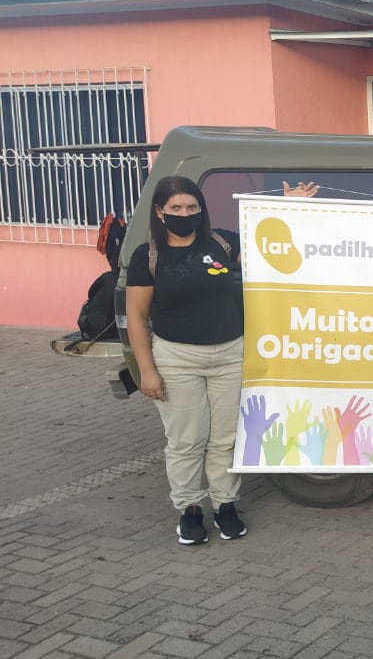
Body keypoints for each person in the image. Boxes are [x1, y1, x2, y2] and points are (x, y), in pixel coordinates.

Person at [126, 176, 315, 545]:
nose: (185, 214)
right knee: (186, 440)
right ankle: (189, 510)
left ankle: (225, 505)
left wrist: (287, 208)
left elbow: (271, 248)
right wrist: (147, 371)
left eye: (192, 207)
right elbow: (137, 316)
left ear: (201, 209)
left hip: (230, 354)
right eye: (176, 209)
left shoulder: (223, 242)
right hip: (177, 358)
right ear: (159, 212)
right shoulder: (147, 255)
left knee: (226, 438)